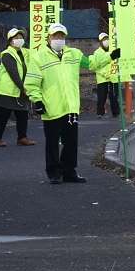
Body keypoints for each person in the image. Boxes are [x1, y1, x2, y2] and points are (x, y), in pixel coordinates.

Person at [24, 23, 117, 184]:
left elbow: (92, 64)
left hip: (71, 106)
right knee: (52, 142)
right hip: (51, 106)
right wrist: (37, 100)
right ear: (49, 37)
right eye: (55, 36)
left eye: (62, 36)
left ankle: (69, 171)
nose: (59, 39)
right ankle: (54, 172)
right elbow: (32, 82)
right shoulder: (38, 57)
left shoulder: (74, 54)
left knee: (71, 142)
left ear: (65, 38)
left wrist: (110, 56)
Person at [0, 28, 34, 148]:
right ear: (10, 41)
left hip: (23, 88)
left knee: (23, 114)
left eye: (20, 37)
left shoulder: (26, 52)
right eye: (16, 38)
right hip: (8, 90)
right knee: (3, 114)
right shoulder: (7, 54)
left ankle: (22, 137)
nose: (19, 40)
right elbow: (13, 73)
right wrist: (22, 87)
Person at [89, 31, 121, 118]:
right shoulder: (97, 53)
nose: (105, 41)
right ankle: (100, 113)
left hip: (113, 77)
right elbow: (96, 66)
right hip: (102, 79)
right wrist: (104, 74)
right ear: (100, 42)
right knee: (101, 97)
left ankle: (116, 112)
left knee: (114, 96)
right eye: (103, 40)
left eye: (106, 39)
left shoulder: (114, 51)